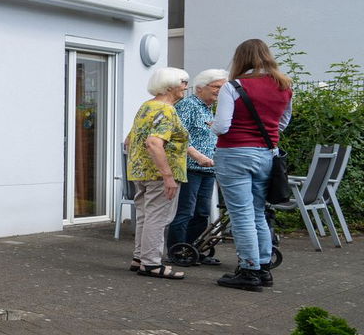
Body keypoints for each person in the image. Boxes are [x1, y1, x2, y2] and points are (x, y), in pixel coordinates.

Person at [211, 38, 294, 291]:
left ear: (241, 58)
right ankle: (263, 267)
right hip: (266, 154)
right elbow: (282, 123)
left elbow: (223, 126)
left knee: (241, 214)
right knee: (258, 211)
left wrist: (211, 127)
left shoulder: (233, 86)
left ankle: (248, 271)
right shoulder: (285, 85)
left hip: (234, 154)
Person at [126, 67, 192, 279]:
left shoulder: (146, 106)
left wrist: (199, 157)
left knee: (145, 215)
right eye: (183, 82)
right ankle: (152, 263)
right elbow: (154, 143)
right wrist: (168, 176)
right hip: (158, 174)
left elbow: (130, 140)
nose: (185, 86)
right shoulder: (166, 110)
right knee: (158, 217)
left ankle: (140, 259)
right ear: (170, 85)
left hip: (140, 171)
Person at [166, 69, 228, 264]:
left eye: (223, 87)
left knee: (202, 212)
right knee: (186, 211)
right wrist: (198, 156)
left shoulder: (209, 108)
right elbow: (177, 137)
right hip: (190, 168)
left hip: (208, 170)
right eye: (217, 87)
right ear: (200, 88)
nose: (221, 91)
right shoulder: (188, 105)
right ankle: (176, 252)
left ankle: (193, 249)